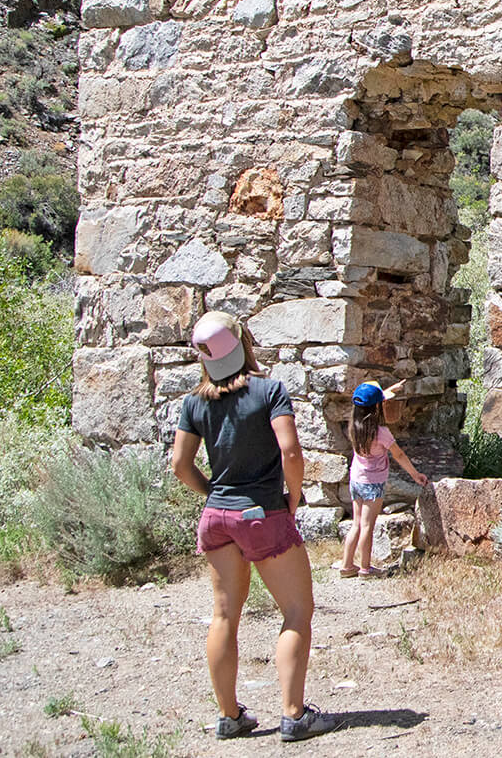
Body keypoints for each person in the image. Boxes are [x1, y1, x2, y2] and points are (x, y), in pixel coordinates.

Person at [171, 311, 338, 742]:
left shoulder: (194, 403)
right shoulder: (268, 391)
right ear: (244, 342)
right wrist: (294, 498)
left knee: (224, 614)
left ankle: (229, 716)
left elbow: (179, 465)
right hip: (263, 513)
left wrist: (213, 493)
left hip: (217, 519)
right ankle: (294, 715)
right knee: (297, 611)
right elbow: (291, 451)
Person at [340, 382, 428, 578]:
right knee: (367, 526)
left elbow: (371, 400)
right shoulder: (381, 433)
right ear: (378, 407)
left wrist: (391, 390)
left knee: (356, 524)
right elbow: (399, 455)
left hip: (356, 480)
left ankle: (346, 566)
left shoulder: (354, 426)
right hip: (373, 483)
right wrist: (415, 475)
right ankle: (365, 568)